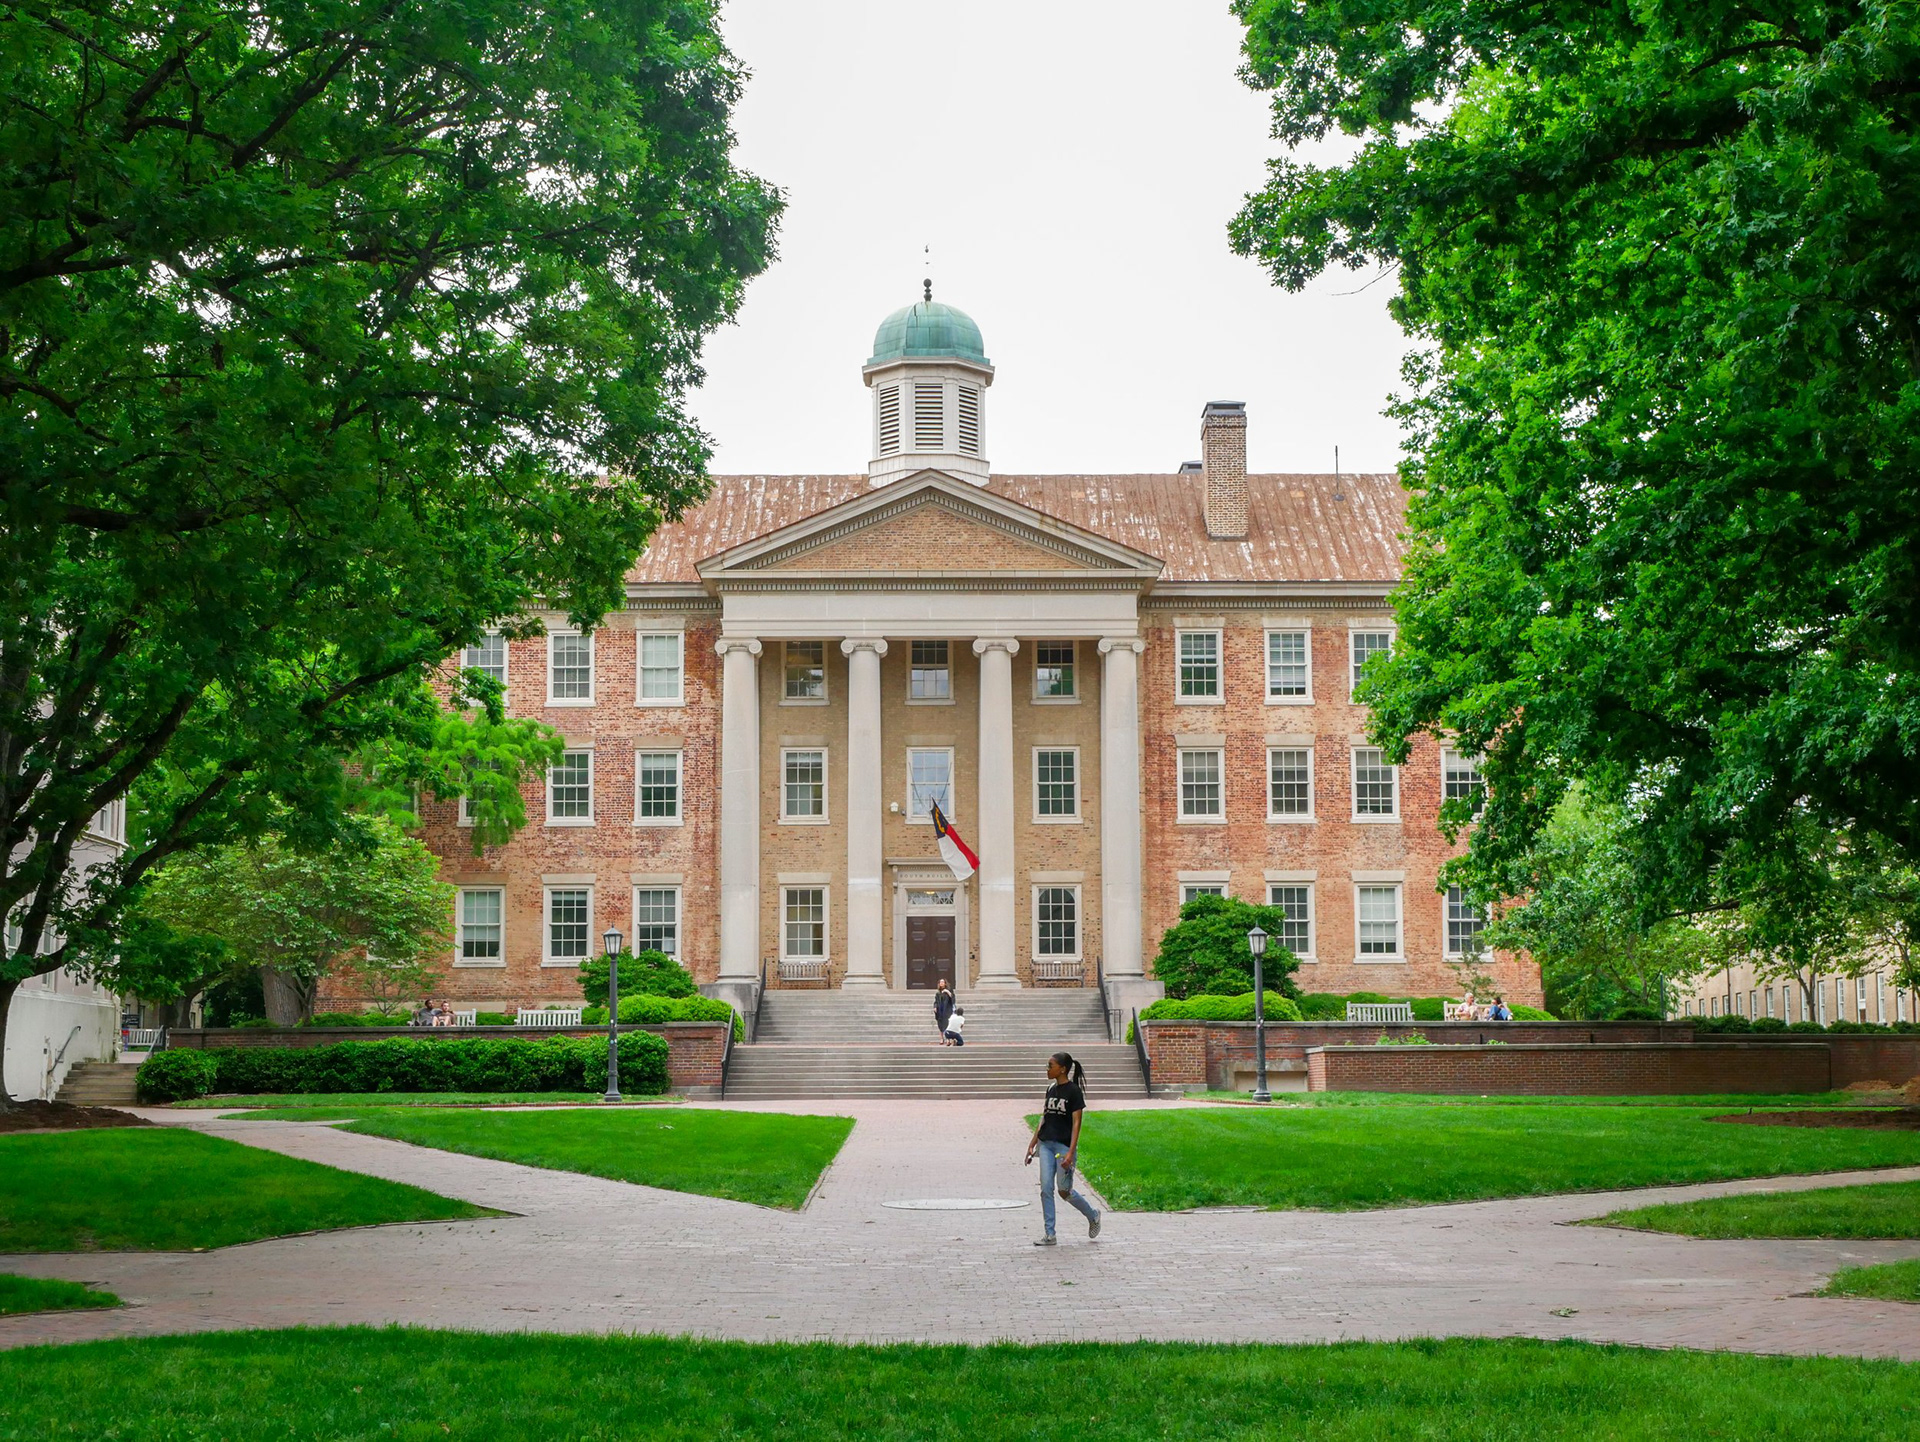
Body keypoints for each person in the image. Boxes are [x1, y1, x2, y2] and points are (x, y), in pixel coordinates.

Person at [1025, 1051, 1101, 1246]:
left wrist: (1070, 1152)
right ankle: (1050, 1234)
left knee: (1064, 1191)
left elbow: (1077, 1124)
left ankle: (1092, 1215)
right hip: (1046, 1144)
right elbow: (1045, 1117)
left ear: (1063, 1069)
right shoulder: (1050, 1089)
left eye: (1050, 1066)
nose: (1047, 1069)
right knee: (1046, 1188)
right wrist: (1033, 1143)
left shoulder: (1074, 1092)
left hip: (1063, 1146)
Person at [933, 980, 955, 1045]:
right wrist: (935, 1007)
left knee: (947, 1025)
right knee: (940, 1025)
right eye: (940, 982)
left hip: (947, 1010)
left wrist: (947, 992)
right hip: (940, 1010)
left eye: (943, 982)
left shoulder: (949, 991)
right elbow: (936, 1001)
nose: (941, 983)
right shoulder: (938, 993)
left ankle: (948, 1039)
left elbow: (953, 999)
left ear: (945, 983)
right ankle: (941, 1038)